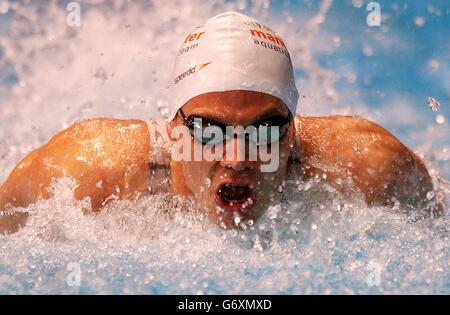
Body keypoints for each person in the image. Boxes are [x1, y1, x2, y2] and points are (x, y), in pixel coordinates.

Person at [0, 12, 436, 234]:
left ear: (292, 128)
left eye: (264, 130)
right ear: (174, 130)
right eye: (209, 131)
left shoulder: (370, 165)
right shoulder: (83, 171)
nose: (238, 158)